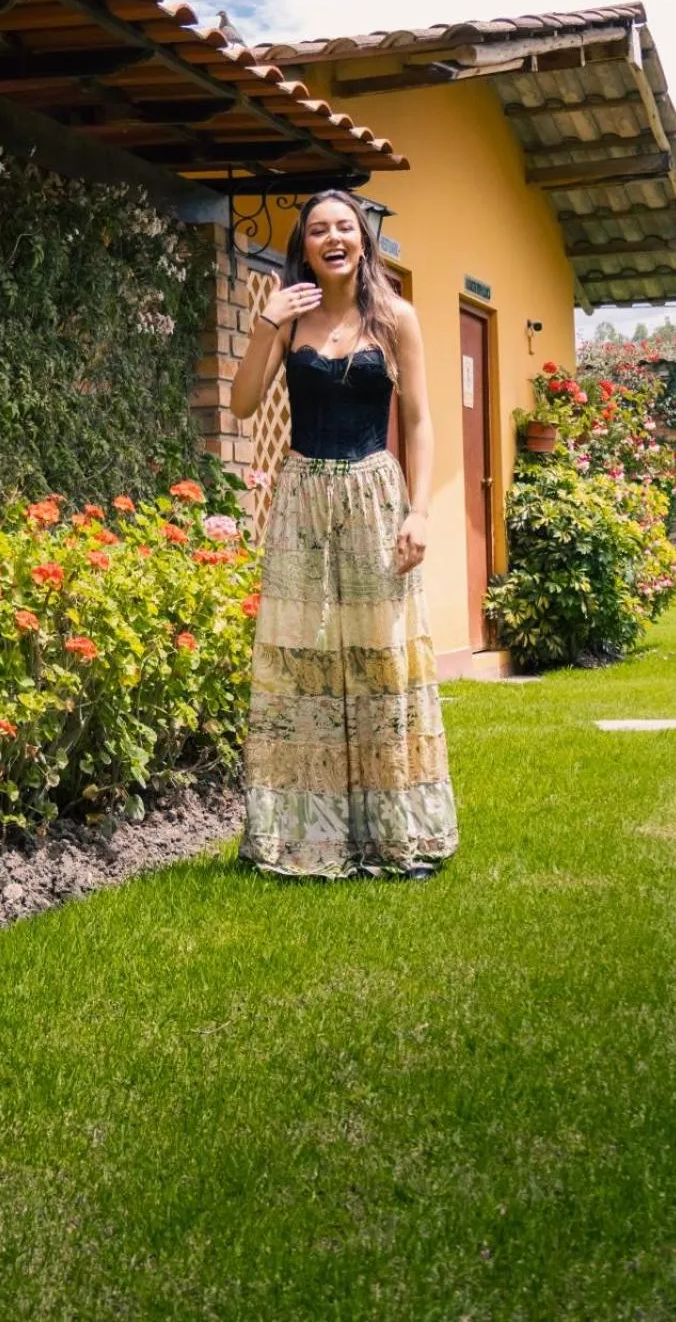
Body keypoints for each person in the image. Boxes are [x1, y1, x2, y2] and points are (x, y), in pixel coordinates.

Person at [230, 189, 458, 880]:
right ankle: (311, 837)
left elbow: (418, 420)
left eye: (345, 229)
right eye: (319, 230)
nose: (333, 239)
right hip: (302, 496)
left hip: (373, 493)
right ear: (304, 246)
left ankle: (398, 837)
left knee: (381, 661)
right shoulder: (289, 319)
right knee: (304, 664)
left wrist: (419, 512)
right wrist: (266, 322)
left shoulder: (395, 319)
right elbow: (241, 405)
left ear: (364, 243)